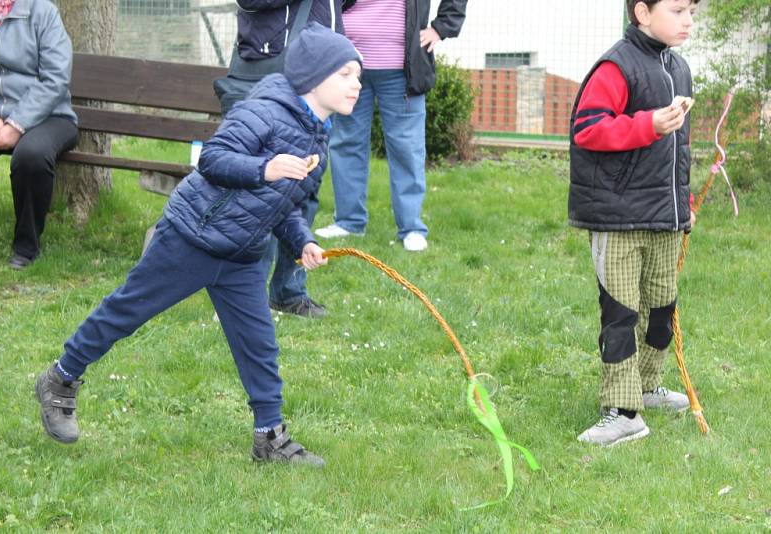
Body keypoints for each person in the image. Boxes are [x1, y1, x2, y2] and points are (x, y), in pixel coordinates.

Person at [34, 22, 362, 467]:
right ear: (313, 78)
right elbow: (213, 159)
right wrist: (265, 168)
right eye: (345, 74)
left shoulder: (315, 135)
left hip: (243, 253)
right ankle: (61, 379)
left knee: (259, 345)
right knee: (127, 310)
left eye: (358, 75)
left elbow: (285, 202)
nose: (356, 84)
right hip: (193, 237)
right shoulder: (263, 111)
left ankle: (269, 437)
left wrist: (302, 240)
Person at [569, 0, 700, 446]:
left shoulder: (678, 69)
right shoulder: (615, 67)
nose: (688, 20)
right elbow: (588, 129)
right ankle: (623, 412)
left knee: (661, 309)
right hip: (617, 215)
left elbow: (679, 153)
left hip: (665, 218)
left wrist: (683, 204)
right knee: (622, 313)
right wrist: (647, 124)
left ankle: (647, 385)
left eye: (692, 11)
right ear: (642, 12)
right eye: (679, 10)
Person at [215, 0, 346, 318]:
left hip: (319, 80)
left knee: (305, 190)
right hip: (273, 73)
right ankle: (244, 295)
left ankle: (289, 292)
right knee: (259, 196)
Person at [314, 0, 467, 252]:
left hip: (402, 69)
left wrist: (441, 28)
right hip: (346, 64)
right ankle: (349, 222)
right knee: (345, 143)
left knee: (407, 149)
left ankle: (411, 228)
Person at [0, 0, 78, 269]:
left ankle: (26, 247)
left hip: (49, 114)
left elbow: (55, 77)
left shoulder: (42, 12)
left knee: (31, 156)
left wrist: (17, 123)